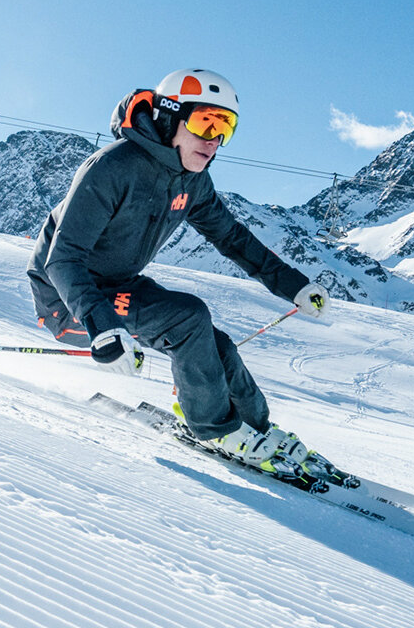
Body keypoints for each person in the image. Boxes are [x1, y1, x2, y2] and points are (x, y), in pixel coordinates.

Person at [29, 68, 331, 476]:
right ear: (170, 117)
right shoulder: (112, 167)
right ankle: (214, 428)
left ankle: (254, 426)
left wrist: (294, 286)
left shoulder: (193, 180)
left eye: (226, 125)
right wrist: (101, 325)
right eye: (204, 121)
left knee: (209, 342)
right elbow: (62, 258)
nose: (213, 139)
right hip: (67, 299)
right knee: (188, 318)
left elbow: (233, 238)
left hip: (119, 286)